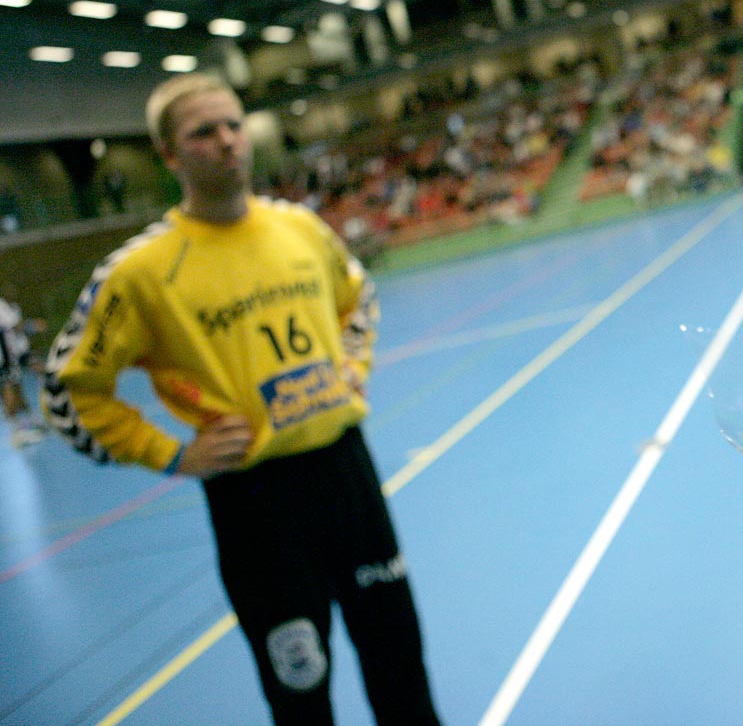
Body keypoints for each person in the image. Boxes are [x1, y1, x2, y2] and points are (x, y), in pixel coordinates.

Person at [43, 73, 443, 726]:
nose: (228, 142)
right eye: (204, 132)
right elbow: (68, 388)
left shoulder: (301, 228)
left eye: (234, 125)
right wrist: (170, 454)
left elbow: (358, 298)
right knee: (299, 684)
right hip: (255, 501)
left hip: (346, 473)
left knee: (399, 660)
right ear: (170, 156)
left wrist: (351, 365)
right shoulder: (142, 272)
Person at [1, 292, 46, 448]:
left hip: (15, 352)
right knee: (10, 389)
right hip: (6, 355)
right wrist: (32, 326)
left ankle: (29, 421)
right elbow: (14, 326)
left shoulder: (4, 303)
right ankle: (17, 431)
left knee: (16, 387)